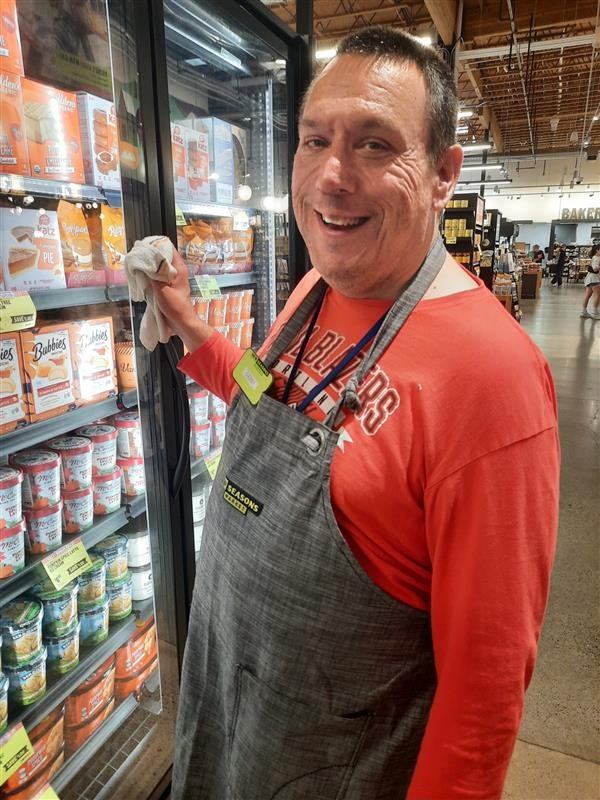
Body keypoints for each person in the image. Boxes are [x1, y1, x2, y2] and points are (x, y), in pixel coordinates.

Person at [151, 26, 559, 800]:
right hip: (226, 719)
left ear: (443, 174)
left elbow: (484, 691)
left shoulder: (492, 379)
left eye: (375, 145)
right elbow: (266, 394)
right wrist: (190, 326)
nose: (332, 177)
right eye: (315, 141)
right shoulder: (317, 289)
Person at [580, 244, 600, 318]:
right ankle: (595, 313)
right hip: (594, 279)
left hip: (590, 278)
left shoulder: (594, 257)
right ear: (597, 250)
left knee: (587, 295)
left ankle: (583, 312)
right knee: (597, 295)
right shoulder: (597, 258)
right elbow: (595, 268)